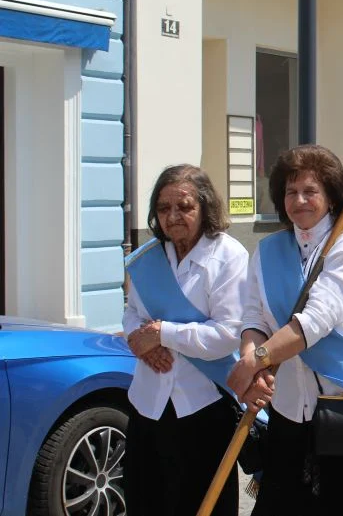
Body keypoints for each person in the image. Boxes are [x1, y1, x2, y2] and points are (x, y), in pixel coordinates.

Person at [227, 145, 343, 516]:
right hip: (289, 407)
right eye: (291, 192)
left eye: (310, 191)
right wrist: (250, 359)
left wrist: (258, 358)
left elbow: (316, 322)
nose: (300, 200)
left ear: (331, 196)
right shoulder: (268, 250)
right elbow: (254, 318)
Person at [122, 165, 248, 516]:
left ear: (205, 207)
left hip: (203, 407)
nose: (173, 216)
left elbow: (226, 334)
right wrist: (145, 345)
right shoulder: (148, 258)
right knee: (146, 503)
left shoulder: (229, 255)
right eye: (163, 209)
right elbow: (131, 314)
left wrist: (162, 334)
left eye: (184, 206)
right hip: (147, 404)